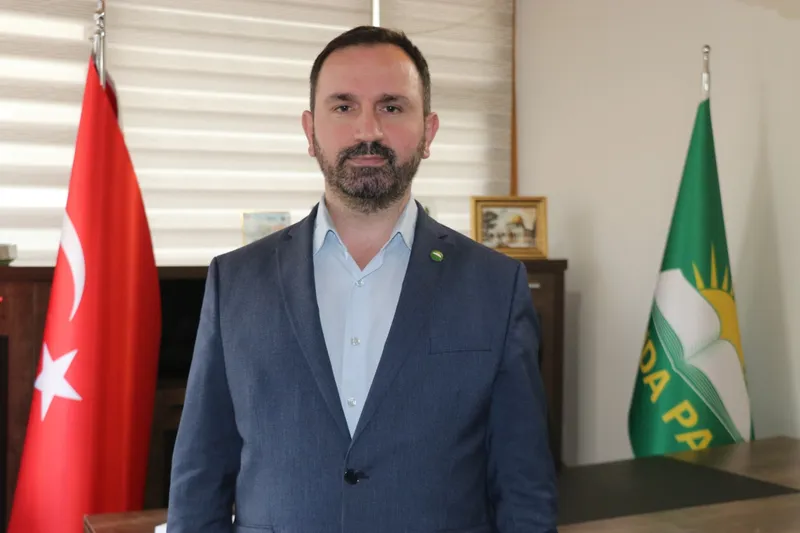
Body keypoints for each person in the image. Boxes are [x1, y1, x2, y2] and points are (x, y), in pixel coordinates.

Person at [166, 25, 558, 533]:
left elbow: (524, 488)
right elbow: (199, 479)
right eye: (344, 106)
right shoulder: (235, 282)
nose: (367, 130)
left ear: (429, 131)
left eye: (392, 106)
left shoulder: (495, 287)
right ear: (310, 130)